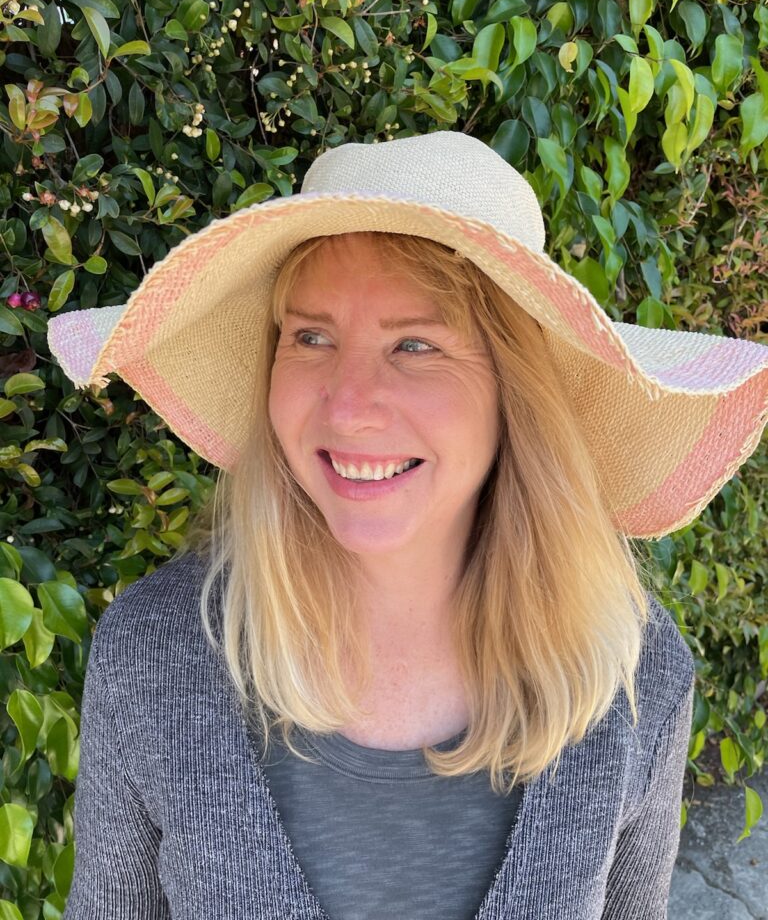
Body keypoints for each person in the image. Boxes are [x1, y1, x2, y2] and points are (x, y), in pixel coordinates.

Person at [49, 130, 768, 919]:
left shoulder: (634, 677)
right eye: (311, 337)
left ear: (513, 396)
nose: (349, 404)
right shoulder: (154, 655)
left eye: (416, 344)